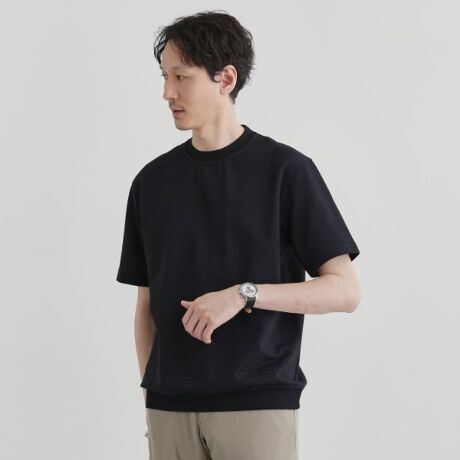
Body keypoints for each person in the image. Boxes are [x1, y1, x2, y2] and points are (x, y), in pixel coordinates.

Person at [116, 10, 361, 460]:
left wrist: (243, 294)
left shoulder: (287, 172)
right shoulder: (151, 183)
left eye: (181, 77)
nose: (167, 92)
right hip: (169, 409)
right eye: (164, 77)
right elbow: (145, 308)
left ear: (225, 79)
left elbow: (344, 291)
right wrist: (152, 397)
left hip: (255, 404)